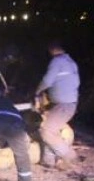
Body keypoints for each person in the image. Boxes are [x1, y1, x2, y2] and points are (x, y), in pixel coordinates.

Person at [34, 41, 80, 169]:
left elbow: (47, 81)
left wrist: (37, 91)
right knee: (52, 129)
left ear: (51, 50)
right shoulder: (71, 62)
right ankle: (48, 160)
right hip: (68, 104)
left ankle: (70, 156)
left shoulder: (57, 61)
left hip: (63, 105)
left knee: (46, 130)